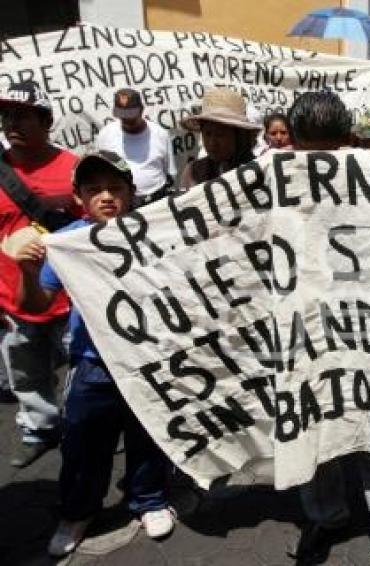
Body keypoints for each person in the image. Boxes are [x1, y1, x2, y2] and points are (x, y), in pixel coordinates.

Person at [286, 91, 370, 566]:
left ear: (350, 140)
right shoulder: (277, 183)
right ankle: (326, 517)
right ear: (294, 146)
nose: (319, 162)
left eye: (330, 150)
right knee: (314, 429)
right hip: (308, 331)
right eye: (309, 153)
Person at [15, 150, 174, 556]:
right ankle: (78, 511)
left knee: (149, 434)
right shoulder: (67, 244)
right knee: (84, 443)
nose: (106, 196)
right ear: (78, 196)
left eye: (115, 188)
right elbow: (35, 305)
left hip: (146, 361)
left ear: (132, 193)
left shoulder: (156, 235)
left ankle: (149, 498)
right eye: (94, 189)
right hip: (92, 366)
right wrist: (29, 273)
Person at [0, 80, 81, 468]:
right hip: (13, 299)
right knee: (26, 371)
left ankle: (87, 426)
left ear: (46, 121)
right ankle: (40, 427)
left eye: (22, 115)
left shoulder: (75, 168)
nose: (11, 123)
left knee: (84, 371)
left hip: (70, 299)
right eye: (6, 115)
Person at [95, 88, 176, 207]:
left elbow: (170, 171)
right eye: (123, 115)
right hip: (123, 203)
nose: (127, 120)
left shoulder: (160, 134)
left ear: (141, 110)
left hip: (157, 200)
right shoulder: (105, 135)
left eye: (131, 115)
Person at [178, 87, 262, 188]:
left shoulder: (258, 171)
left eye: (220, 135)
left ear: (239, 136)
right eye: (207, 134)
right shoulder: (193, 173)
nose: (212, 143)